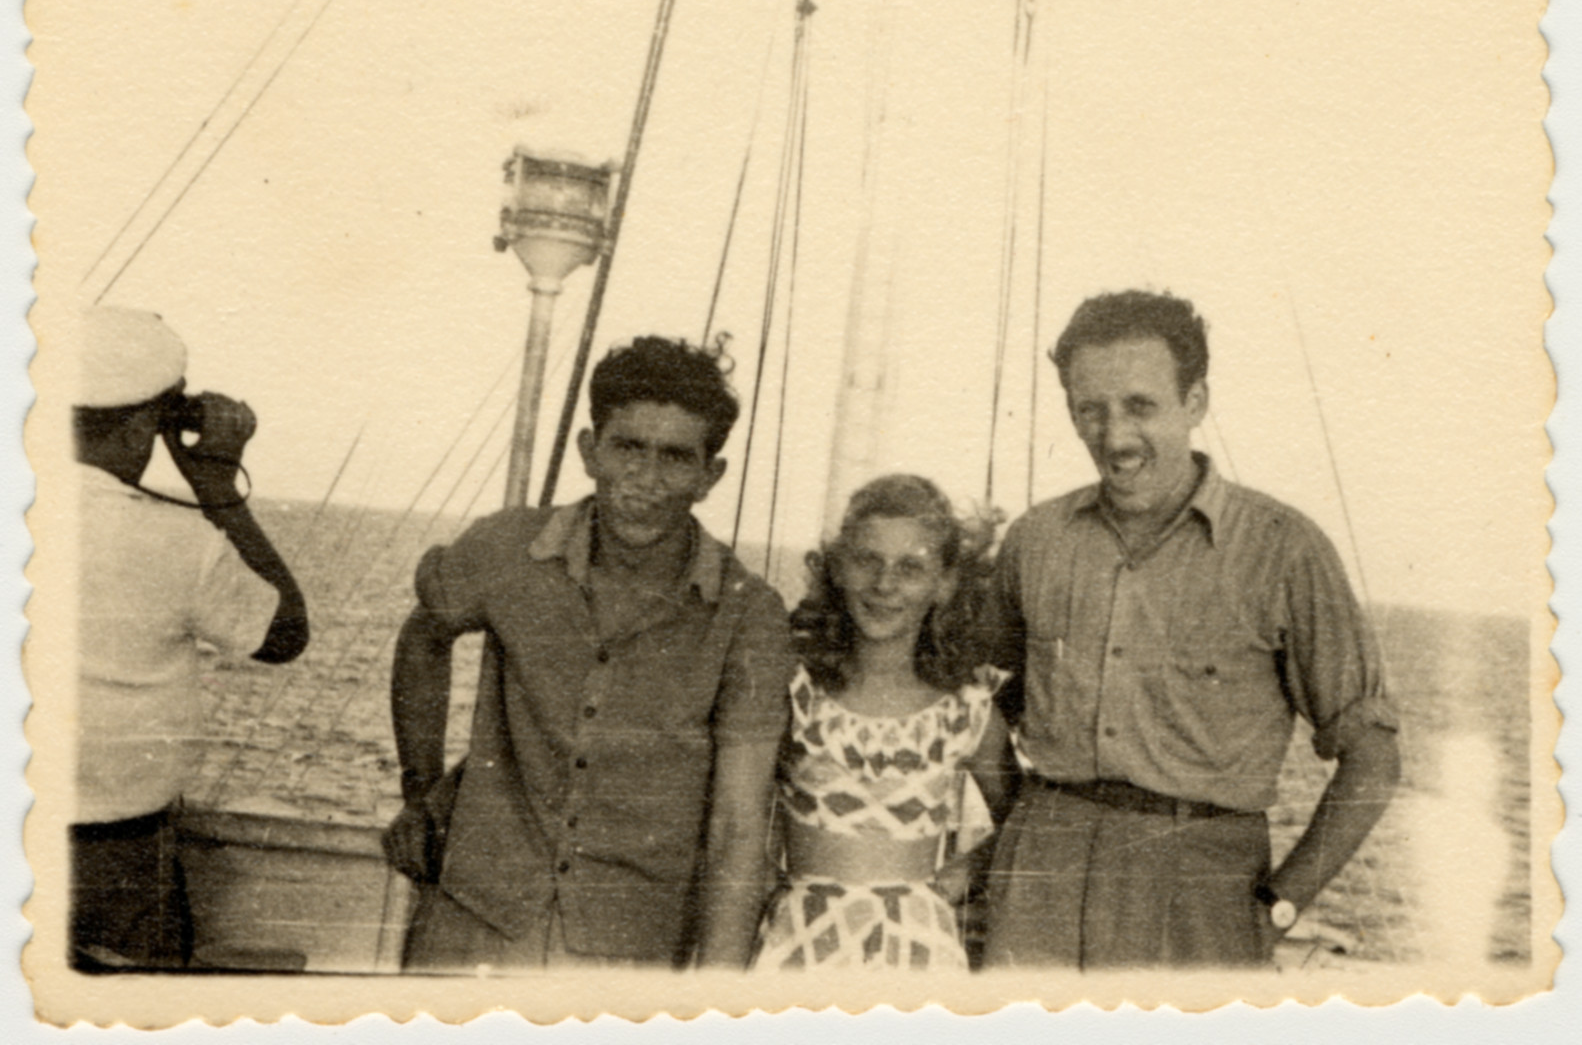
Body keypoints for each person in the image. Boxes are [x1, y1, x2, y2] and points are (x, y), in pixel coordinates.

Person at [982, 290, 1401, 969]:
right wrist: (1015, 838)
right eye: (1090, 409)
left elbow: (1374, 761)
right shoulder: (1035, 541)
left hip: (1201, 888)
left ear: (1196, 402)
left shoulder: (1282, 549)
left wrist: (1280, 905)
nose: (1114, 436)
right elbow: (977, 703)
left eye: (1140, 406)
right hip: (1038, 878)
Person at [385, 336, 794, 970]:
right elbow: (424, 636)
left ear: (710, 476)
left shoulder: (749, 614)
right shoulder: (505, 548)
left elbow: (739, 831)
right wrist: (420, 794)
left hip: (630, 952)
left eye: (675, 457)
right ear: (589, 450)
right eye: (628, 447)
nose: (646, 479)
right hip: (472, 923)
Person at [72, 306, 308, 971]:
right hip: (118, 856)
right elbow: (283, 633)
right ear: (152, 420)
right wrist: (214, 482)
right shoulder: (177, 542)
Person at [752, 475, 1013, 972]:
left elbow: (1022, 821)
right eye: (867, 560)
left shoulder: (965, 706)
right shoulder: (795, 690)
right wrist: (765, 879)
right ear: (837, 566)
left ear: (945, 582)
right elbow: (736, 809)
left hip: (918, 947)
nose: (885, 585)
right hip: (802, 941)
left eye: (911, 568)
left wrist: (961, 875)